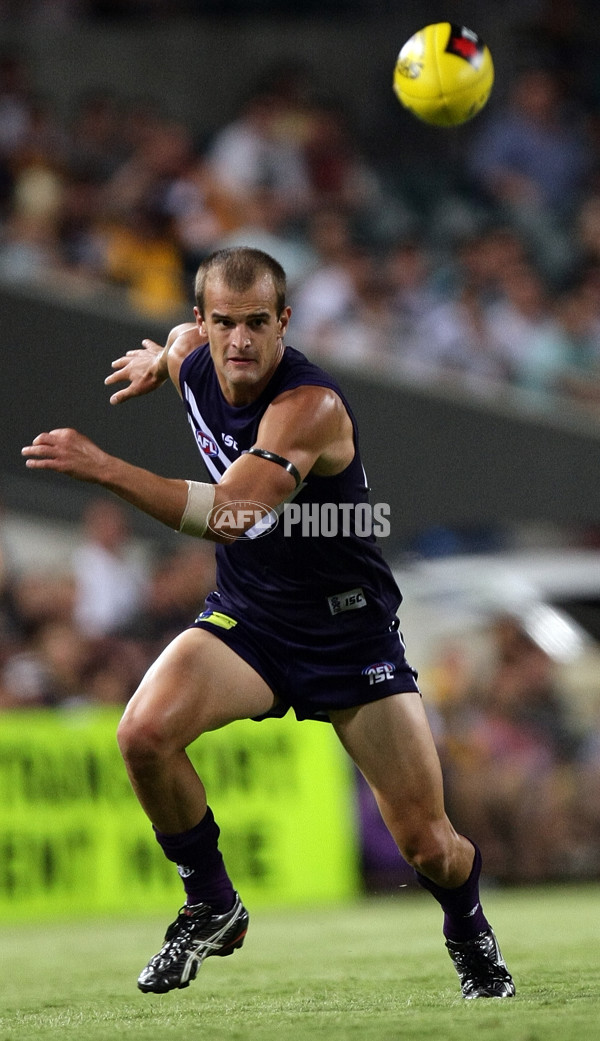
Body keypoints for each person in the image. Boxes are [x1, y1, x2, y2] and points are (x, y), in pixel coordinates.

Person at [21, 246, 515, 1001]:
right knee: (142, 735)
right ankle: (212, 903)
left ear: (285, 322)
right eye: (224, 322)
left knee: (429, 843)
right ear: (201, 322)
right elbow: (180, 350)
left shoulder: (309, 406)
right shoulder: (192, 354)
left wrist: (106, 468)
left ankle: (469, 930)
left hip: (349, 638)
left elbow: (231, 515)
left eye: (258, 322)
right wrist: (161, 358)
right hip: (251, 623)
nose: (241, 340)